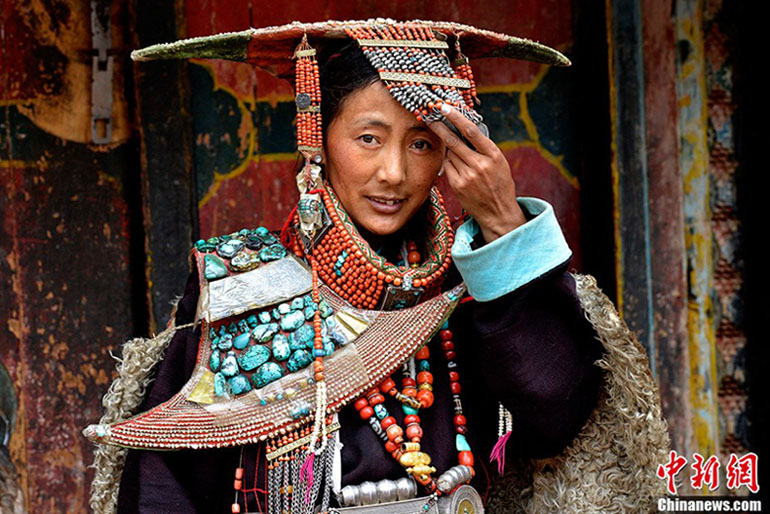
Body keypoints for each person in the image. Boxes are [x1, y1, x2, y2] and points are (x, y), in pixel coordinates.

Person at [86, 20, 668, 514]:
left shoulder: (473, 289)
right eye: (369, 137)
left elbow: (558, 411)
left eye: (421, 143)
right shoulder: (240, 284)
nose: (393, 172)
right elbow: (164, 488)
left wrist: (502, 223)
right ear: (318, 137)